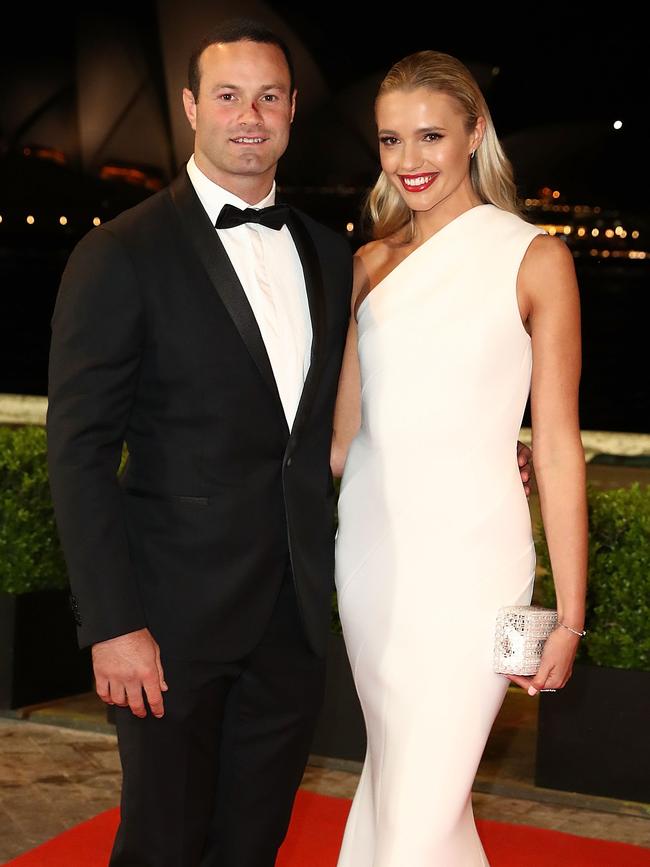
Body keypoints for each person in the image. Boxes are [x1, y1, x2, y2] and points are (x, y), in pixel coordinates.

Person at [46, 18, 355, 867]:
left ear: (292, 109)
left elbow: (340, 426)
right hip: (169, 625)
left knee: (253, 842)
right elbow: (77, 452)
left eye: (267, 96)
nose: (248, 115)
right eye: (227, 95)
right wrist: (112, 624)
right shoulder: (120, 252)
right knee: (163, 841)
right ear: (191, 108)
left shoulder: (331, 256)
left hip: (293, 621)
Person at [331, 50, 587, 865]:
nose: (409, 162)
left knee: (419, 812)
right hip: (372, 563)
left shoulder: (536, 258)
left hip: (477, 564)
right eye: (390, 141)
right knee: (401, 791)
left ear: (475, 133)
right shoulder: (368, 267)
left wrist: (568, 615)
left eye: (430, 136)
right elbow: (342, 445)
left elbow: (554, 447)